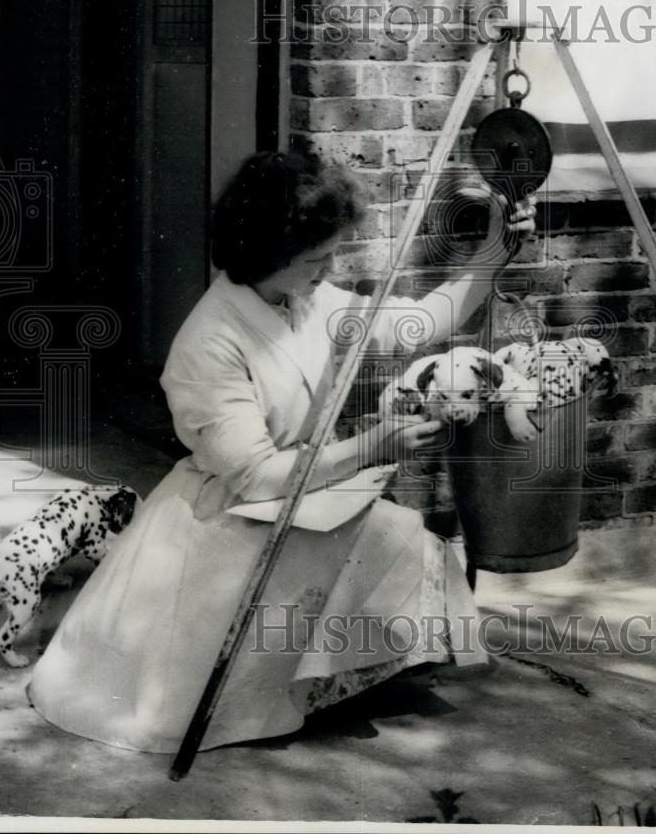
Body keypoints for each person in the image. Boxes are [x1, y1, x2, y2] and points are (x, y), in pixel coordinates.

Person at [28, 151, 536, 753]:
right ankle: (288, 686)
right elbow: (260, 476)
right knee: (217, 677)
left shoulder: (305, 300)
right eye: (318, 256)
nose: (331, 266)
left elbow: (418, 324)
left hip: (306, 491)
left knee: (408, 540)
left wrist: (495, 250)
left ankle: (326, 679)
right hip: (228, 517)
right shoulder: (208, 341)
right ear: (272, 253)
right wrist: (375, 443)